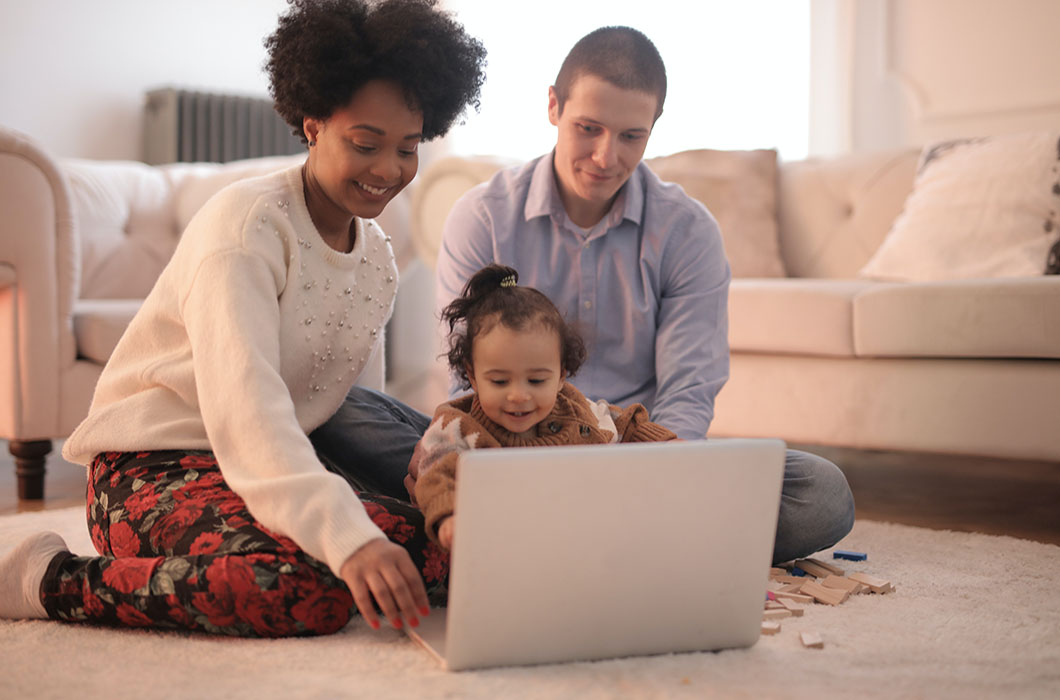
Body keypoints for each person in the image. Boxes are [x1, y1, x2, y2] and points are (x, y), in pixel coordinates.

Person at [0, 0, 486, 637]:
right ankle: (48, 577)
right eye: (365, 144)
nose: (389, 170)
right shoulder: (248, 225)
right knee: (299, 591)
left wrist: (424, 498)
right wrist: (347, 537)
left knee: (452, 550)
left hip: (272, 463)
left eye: (407, 148)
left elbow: (343, 410)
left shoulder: (378, 261)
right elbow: (245, 408)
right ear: (312, 124)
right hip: (151, 467)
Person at [314, 25, 855, 567]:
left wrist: (647, 474)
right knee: (337, 408)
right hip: (500, 448)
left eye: (630, 137)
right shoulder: (483, 216)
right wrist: (464, 465)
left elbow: (690, 392)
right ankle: (626, 544)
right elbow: (467, 378)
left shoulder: (688, 231)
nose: (605, 156)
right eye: (588, 128)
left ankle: (523, 537)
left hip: (631, 459)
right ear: (553, 105)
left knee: (821, 493)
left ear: (653, 129)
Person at [413, 264, 676, 548]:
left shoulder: (574, 410)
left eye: (536, 381)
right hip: (498, 544)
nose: (518, 396)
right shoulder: (455, 426)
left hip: (577, 538)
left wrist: (668, 445)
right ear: (473, 376)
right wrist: (450, 515)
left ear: (561, 375)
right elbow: (435, 473)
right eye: (500, 382)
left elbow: (623, 423)